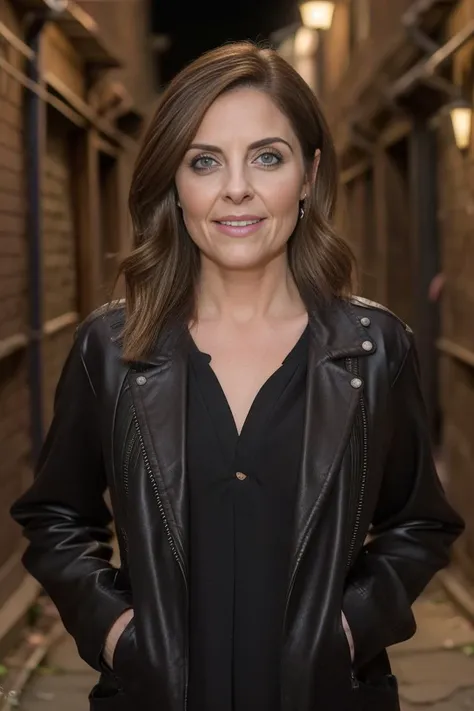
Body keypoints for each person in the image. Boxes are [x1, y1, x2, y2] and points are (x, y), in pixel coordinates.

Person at [10, 41, 463, 711]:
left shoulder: (373, 350)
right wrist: (116, 634)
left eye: (267, 157)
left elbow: (418, 524)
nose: (236, 189)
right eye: (205, 161)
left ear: (308, 175)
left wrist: (347, 630)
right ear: (175, 180)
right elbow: (56, 516)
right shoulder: (111, 348)